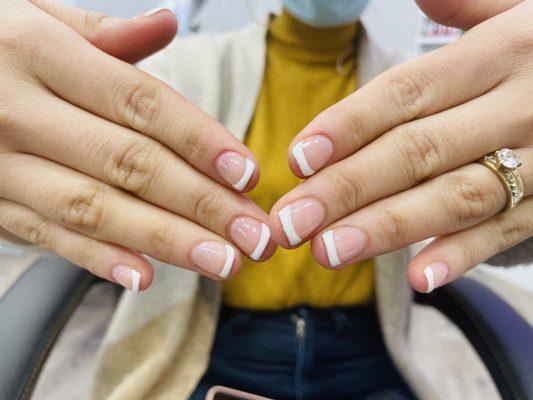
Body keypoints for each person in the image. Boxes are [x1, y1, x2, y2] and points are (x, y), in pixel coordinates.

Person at [0, 0, 531, 399]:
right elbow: (62, 187)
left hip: (369, 348)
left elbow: (489, 232)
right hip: (211, 343)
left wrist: (511, 190)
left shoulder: (429, 87)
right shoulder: (181, 72)